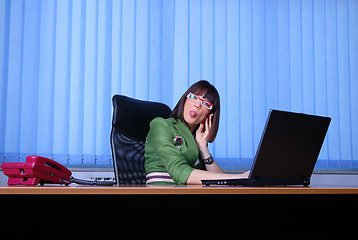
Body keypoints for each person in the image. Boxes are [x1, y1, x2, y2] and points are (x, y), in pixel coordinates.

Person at [144, 80, 250, 184]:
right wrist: (238, 177)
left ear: (210, 114)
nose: (197, 105)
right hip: (162, 191)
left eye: (205, 103)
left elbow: (220, 184)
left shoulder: (196, 137)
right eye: (194, 97)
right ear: (184, 100)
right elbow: (179, 171)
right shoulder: (160, 125)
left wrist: (204, 150)